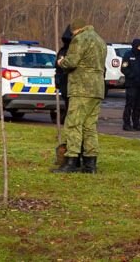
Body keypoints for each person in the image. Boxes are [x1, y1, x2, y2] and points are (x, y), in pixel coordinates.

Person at [51, 18, 107, 174]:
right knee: (90, 126)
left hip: (81, 88)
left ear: (75, 30)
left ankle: (71, 161)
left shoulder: (79, 39)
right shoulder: (100, 40)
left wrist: (62, 61)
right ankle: (91, 164)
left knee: (73, 124)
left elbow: (72, 62)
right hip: (97, 88)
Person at [120, 38, 140, 131]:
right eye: (139, 47)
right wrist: (132, 75)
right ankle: (126, 123)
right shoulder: (128, 55)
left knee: (138, 106)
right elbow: (124, 69)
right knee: (130, 105)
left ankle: (136, 123)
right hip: (132, 85)